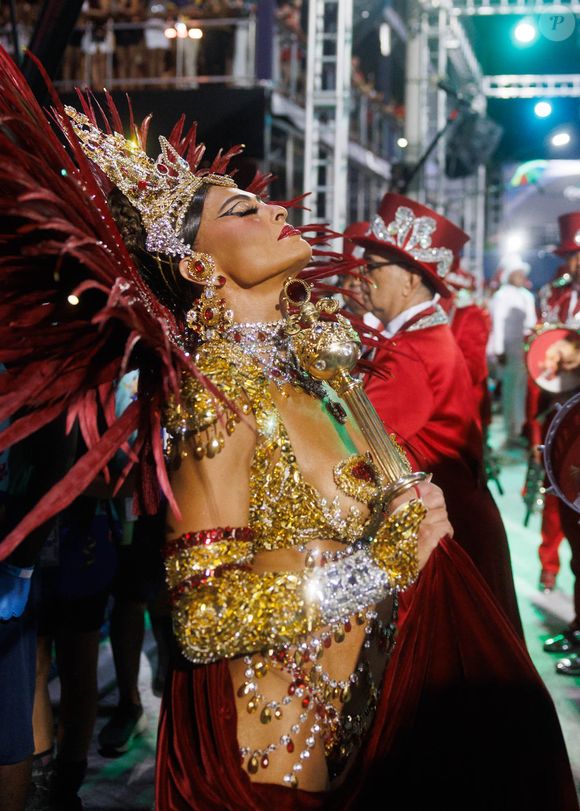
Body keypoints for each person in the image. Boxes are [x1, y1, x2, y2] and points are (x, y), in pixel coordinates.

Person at [0, 49, 578, 810]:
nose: (276, 207)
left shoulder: (314, 371)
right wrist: (375, 565)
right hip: (280, 771)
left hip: (367, 733)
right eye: (242, 209)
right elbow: (203, 621)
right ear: (202, 271)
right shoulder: (218, 397)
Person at [349, 195, 523, 636]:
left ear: (408, 280)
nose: (363, 276)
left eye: (372, 267)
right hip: (457, 527)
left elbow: (356, 452)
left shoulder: (411, 352)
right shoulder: (417, 338)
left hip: (450, 542)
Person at [526, 211, 580, 672]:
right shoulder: (558, 299)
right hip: (562, 420)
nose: (576, 262)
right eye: (572, 255)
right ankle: (579, 624)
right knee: (565, 512)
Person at [489, 253, 537, 448]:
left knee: (522, 389)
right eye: (516, 273)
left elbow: (532, 323)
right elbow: (498, 324)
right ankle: (512, 430)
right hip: (510, 349)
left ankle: (522, 427)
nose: (519, 277)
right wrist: (499, 349)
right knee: (510, 390)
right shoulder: (502, 295)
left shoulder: (526, 295)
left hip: (526, 349)